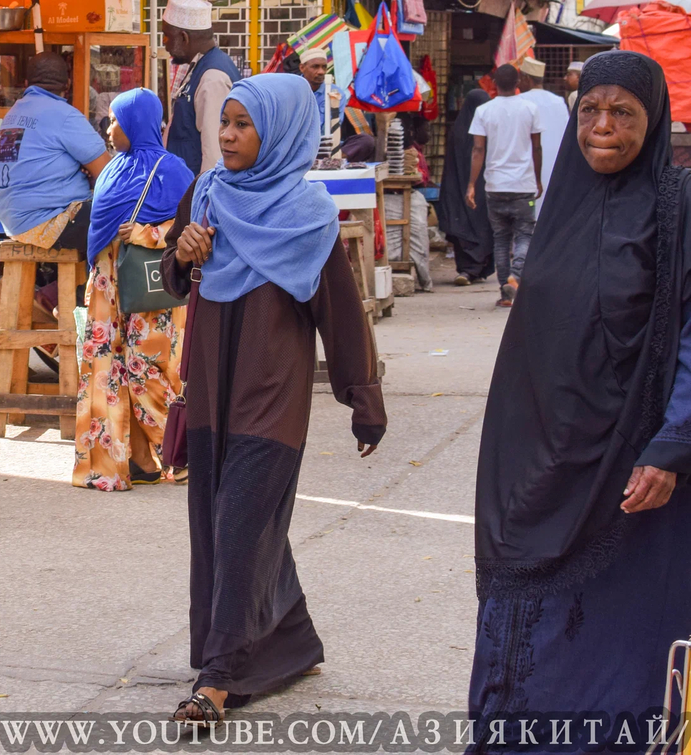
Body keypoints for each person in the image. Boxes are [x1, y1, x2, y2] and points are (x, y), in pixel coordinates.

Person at [468, 51, 691, 752]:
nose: (603, 127)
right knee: (520, 599)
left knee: (616, 637)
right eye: (590, 110)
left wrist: (672, 442)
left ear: (652, 123)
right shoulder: (559, 203)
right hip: (539, 459)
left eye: (623, 113)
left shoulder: (678, 209)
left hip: (631, 465)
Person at [160, 73, 386, 724]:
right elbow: (176, 278)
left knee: (239, 524)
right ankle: (291, 639)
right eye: (222, 123)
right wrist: (183, 251)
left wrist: (362, 400)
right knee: (233, 524)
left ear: (279, 131)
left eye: (241, 125)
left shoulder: (306, 217)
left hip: (271, 398)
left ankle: (219, 679)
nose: (226, 136)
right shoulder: (207, 194)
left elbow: (342, 318)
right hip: (209, 392)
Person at [73, 88, 194, 492]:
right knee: (107, 369)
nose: (109, 129)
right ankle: (130, 464)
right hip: (109, 283)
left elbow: (192, 230)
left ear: (136, 123)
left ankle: (184, 451)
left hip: (153, 285)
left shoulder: (173, 170)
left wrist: (147, 233)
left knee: (147, 368)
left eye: (116, 121)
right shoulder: (112, 169)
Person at [0, 52, 110, 256]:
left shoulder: (12, 115)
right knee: (123, 214)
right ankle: (90, 288)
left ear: (27, 83)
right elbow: (108, 173)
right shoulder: (64, 115)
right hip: (48, 222)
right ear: (68, 84)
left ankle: (57, 287)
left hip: (11, 222)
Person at [466, 64, 542, 307]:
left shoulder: (484, 111)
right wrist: (538, 179)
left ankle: (504, 292)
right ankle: (516, 276)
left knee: (500, 238)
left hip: (495, 186)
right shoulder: (530, 109)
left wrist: (471, 184)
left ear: (494, 83)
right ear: (518, 81)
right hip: (523, 186)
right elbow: (536, 147)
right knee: (524, 234)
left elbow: (478, 149)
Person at [162, 0, 241, 175]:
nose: (163, 42)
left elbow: (215, 154)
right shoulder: (200, 66)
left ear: (184, 37)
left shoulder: (212, 77)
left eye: (166, 35)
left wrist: (204, 198)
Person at [438, 89, 494, 286]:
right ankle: (475, 268)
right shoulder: (484, 130)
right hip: (480, 186)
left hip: (458, 188)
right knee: (483, 224)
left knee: (462, 222)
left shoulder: (458, 129)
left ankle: (467, 269)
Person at [519, 57, 569, 217]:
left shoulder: (520, 101)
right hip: (556, 164)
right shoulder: (558, 101)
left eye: (520, 78)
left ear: (527, 79)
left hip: (529, 164)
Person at [299, 48, 347, 131]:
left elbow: (334, 127)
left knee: (365, 140)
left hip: (324, 141)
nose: (321, 72)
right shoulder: (291, 90)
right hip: (295, 141)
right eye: (315, 67)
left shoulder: (336, 93)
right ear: (302, 68)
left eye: (324, 67)